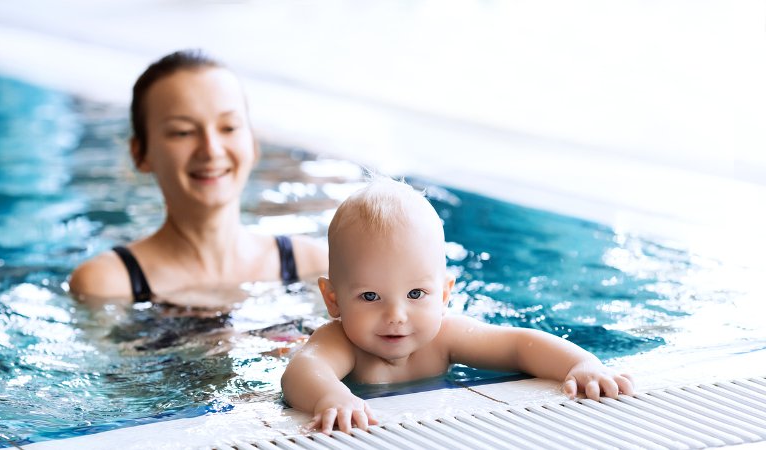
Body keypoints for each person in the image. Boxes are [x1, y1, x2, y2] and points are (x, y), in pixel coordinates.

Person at [281, 176, 634, 434]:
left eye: (416, 294)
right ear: (333, 299)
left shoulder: (445, 336)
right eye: (370, 296)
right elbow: (300, 372)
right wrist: (332, 397)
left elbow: (518, 345)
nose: (396, 316)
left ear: (445, 294)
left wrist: (582, 363)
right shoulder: (339, 342)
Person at [69, 50, 327, 306]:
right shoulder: (108, 284)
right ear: (140, 153)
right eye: (183, 132)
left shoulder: (312, 266)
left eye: (229, 127)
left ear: (253, 143)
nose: (211, 149)